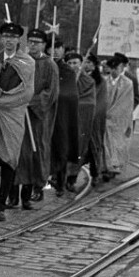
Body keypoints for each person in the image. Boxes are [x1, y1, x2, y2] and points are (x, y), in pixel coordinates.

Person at [0, 22, 34, 222]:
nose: (9, 40)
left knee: (9, 161)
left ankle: (0, 204)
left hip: (12, 117)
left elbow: (26, 93)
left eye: (13, 37)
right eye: (5, 36)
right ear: (1, 38)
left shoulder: (28, 62)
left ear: (18, 40)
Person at [12, 29, 58, 208]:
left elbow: (51, 92)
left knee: (33, 153)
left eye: (36, 42)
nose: (32, 45)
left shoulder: (49, 65)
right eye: (30, 41)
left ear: (44, 45)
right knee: (16, 154)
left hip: (37, 117)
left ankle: (30, 192)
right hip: (18, 114)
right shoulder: (21, 60)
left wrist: (31, 101)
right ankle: (13, 194)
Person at [49, 45, 79, 195]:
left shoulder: (66, 70)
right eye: (51, 47)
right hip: (41, 113)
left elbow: (69, 94)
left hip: (60, 113)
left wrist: (52, 96)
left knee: (60, 147)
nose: (54, 51)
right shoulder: (41, 63)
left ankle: (60, 182)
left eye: (57, 48)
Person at [103, 54, 135, 181]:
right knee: (105, 142)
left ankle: (114, 165)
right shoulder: (104, 81)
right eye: (114, 67)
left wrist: (112, 113)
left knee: (116, 142)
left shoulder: (127, 83)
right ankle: (106, 166)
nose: (116, 70)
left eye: (119, 67)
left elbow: (126, 102)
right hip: (105, 117)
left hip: (118, 119)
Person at [68, 51, 95, 191]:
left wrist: (75, 102)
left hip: (80, 121)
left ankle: (72, 178)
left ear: (81, 64)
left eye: (75, 63)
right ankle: (59, 179)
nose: (73, 66)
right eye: (70, 63)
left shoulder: (89, 82)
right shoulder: (63, 79)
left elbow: (89, 102)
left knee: (78, 147)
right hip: (65, 120)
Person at [84, 54, 107, 186]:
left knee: (94, 147)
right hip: (81, 118)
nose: (86, 65)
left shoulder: (101, 81)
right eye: (85, 62)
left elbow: (102, 102)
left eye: (88, 62)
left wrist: (92, 114)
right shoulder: (79, 77)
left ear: (93, 64)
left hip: (94, 120)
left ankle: (95, 173)